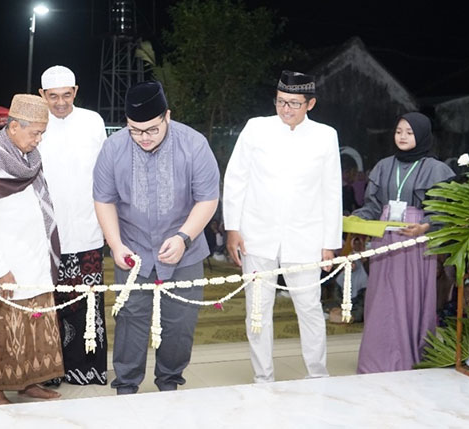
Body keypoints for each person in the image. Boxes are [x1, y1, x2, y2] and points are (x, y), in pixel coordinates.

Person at [93, 81, 220, 394]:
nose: (143, 138)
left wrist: (183, 238)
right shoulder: (114, 147)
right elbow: (104, 199)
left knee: (180, 323)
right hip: (132, 251)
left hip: (184, 250)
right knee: (130, 320)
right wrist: (116, 243)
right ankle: (126, 385)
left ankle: (169, 382)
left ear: (167, 116)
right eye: (135, 130)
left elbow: (208, 198)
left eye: (151, 129)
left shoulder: (194, 144)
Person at [223, 70, 342, 383]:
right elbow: (236, 179)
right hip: (256, 235)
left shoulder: (325, 135)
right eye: (280, 101)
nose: (286, 109)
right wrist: (232, 228)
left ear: (310, 104)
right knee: (257, 311)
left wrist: (330, 241)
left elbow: (331, 191)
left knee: (310, 308)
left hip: (305, 237)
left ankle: (317, 374)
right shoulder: (256, 128)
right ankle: (263, 377)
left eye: (294, 103)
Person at [0, 94, 64, 405]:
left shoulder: (28, 160)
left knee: (37, 329)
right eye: (34, 133)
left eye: (42, 134)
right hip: (8, 266)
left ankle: (30, 384)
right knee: (6, 332)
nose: (38, 140)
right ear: (12, 127)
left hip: (35, 260)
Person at [351, 112, 455, 373]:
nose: (403, 137)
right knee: (381, 298)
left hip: (415, 240)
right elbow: (372, 206)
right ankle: (375, 361)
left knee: (409, 297)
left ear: (421, 135)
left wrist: (426, 225)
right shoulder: (384, 165)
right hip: (384, 237)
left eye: (409, 132)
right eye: (399, 131)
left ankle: (408, 357)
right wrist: (354, 220)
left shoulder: (436, 169)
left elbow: (444, 210)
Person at [38, 65, 108, 386]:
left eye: (67, 95)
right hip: (45, 234)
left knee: (87, 303)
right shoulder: (35, 124)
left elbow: (106, 174)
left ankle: (88, 369)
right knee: (49, 304)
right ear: (42, 95)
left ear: (76, 92)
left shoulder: (93, 121)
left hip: (88, 230)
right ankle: (50, 372)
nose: (61, 102)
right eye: (53, 96)